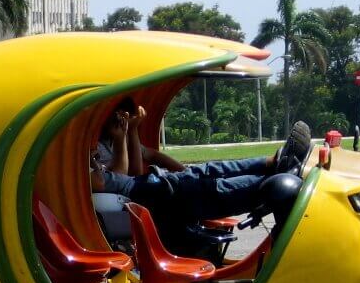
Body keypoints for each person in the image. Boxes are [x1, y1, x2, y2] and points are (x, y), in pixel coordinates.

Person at [90, 98, 312, 229]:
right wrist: (122, 138)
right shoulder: (93, 154)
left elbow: (149, 158)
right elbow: (123, 175)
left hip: (150, 184)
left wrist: (186, 171)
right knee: (211, 189)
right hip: (143, 192)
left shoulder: (109, 143)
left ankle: (272, 162)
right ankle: (271, 181)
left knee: (206, 171)